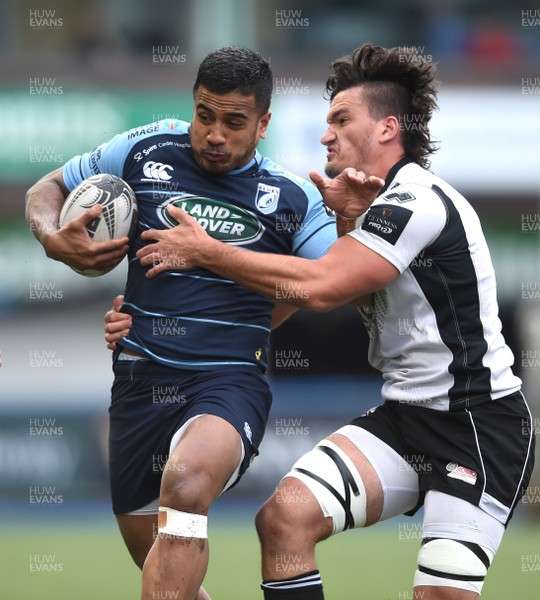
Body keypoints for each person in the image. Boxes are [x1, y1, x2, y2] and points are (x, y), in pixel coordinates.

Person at [130, 44, 535, 599]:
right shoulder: (379, 204)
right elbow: (361, 300)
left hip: (478, 429)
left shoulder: (415, 200)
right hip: (407, 419)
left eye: (341, 120)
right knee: (283, 522)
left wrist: (207, 251)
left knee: (438, 595)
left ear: (389, 128)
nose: (327, 135)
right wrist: (347, 223)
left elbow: (321, 288)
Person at [25, 46, 336, 600]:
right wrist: (54, 238)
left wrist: (241, 313)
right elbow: (43, 191)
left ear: (263, 124)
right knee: (167, 576)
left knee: (187, 485)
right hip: (138, 379)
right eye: (204, 115)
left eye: (234, 122)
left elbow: (329, 286)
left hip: (228, 381)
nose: (215, 133)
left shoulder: (293, 197)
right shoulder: (146, 149)